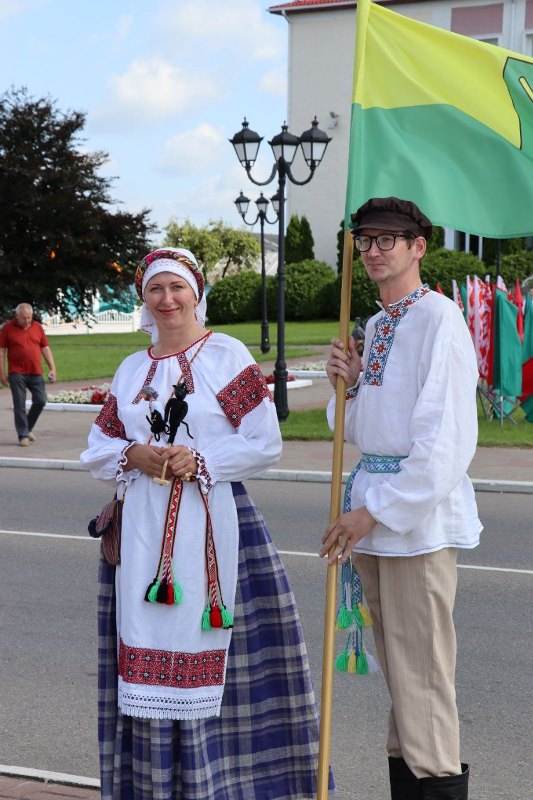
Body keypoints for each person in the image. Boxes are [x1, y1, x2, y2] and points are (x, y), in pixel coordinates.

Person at [80, 247, 331, 800]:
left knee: (222, 656)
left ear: (196, 294)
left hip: (215, 526)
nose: (167, 299)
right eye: (156, 289)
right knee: (145, 656)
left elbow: (264, 442)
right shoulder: (132, 368)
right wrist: (132, 454)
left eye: (177, 288)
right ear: (144, 299)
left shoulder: (224, 354)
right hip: (143, 535)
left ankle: (226, 786)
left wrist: (201, 459)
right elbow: (97, 446)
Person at [321, 197, 481, 800]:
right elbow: (360, 429)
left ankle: (436, 784)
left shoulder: (439, 317)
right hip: (376, 515)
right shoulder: (378, 323)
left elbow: (445, 440)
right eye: (365, 240)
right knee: (403, 682)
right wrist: (349, 383)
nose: (373, 250)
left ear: (419, 247)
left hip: (416, 522)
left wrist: (374, 512)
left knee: (424, 680)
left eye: (388, 239)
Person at [0, 302, 56, 446]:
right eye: (24, 318)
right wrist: (1, 372)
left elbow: (45, 348)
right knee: (19, 404)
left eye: (29, 318)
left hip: (35, 372)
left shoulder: (37, 327)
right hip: (16, 373)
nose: (27, 321)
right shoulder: (7, 328)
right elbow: (1, 351)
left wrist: (52, 368)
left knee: (41, 400)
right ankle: (23, 435)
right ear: (16, 316)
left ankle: (28, 427)